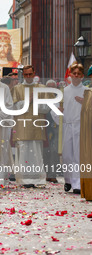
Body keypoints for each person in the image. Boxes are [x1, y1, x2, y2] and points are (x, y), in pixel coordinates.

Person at [11, 65, 51, 188]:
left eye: (30, 74)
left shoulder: (42, 88)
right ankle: (24, 180)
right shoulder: (17, 89)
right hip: (22, 125)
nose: (28, 77)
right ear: (23, 74)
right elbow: (14, 107)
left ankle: (38, 179)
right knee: (23, 153)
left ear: (34, 73)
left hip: (36, 125)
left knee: (36, 153)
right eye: (26, 75)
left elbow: (47, 108)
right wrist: (28, 100)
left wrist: (36, 101)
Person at [51, 64, 88, 194]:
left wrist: (85, 103)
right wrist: (58, 111)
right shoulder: (63, 91)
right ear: (70, 75)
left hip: (79, 126)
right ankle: (68, 180)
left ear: (82, 76)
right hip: (66, 125)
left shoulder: (87, 92)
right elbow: (54, 108)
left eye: (79, 74)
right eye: (74, 73)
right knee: (67, 156)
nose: (76, 76)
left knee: (78, 155)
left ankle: (77, 184)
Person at [44, 80, 60, 183]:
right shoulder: (42, 98)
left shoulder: (59, 100)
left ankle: (52, 174)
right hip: (43, 127)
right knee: (44, 152)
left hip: (54, 128)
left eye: (52, 87)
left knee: (54, 151)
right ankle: (45, 173)